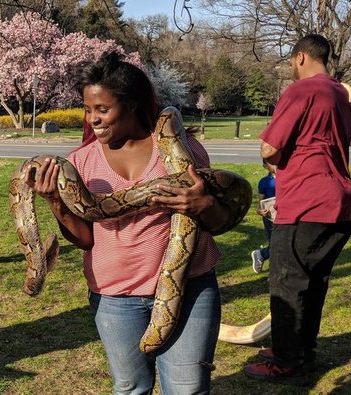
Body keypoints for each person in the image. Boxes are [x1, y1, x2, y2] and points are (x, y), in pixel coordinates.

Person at [26, 52, 230, 394]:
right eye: (88, 110)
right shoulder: (79, 163)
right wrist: (54, 202)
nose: (93, 120)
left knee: (188, 389)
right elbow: (86, 239)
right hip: (114, 295)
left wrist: (204, 203)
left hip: (191, 288)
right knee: (131, 387)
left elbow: (219, 222)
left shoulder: (185, 150)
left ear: (132, 105)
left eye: (103, 110)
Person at [244, 34, 351, 382]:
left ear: (302, 57)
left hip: (306, 202)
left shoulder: (301, 90)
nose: (292, 68)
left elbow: (269, 148)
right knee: (314, 284)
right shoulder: (339, 93)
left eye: (291, 61)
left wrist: (277, 162)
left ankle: (286, 361)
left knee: (288, 284)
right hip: (338, 203)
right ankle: (302, 352)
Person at [251, 159, 276, 273]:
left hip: (287, 215)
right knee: (276, 244)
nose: (275, 164)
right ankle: (274, 273)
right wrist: (260, 211)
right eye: (271, 162)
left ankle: (261, 254)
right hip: (270, 218)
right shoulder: (264, 182)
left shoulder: (288, 178)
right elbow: (260, 205)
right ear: (265, 166)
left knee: (284, 243)